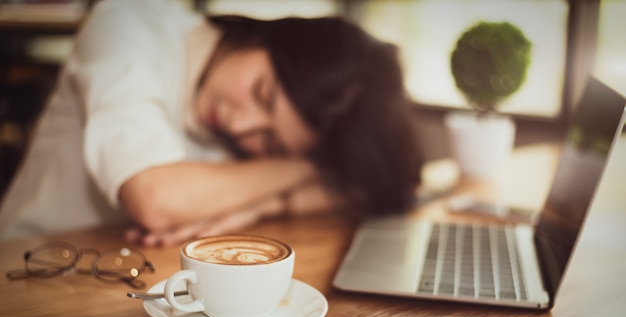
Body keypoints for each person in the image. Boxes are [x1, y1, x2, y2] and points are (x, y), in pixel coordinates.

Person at [0, 0, 422, 246]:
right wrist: (303, 167)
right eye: (261, 92)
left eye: (270, 142)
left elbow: (367, 190)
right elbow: (155, 199)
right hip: (27, 265)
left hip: (124, 280)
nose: (242, 127)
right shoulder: (129, 20)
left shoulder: (248, 121)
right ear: (266, 38)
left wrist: (263, 206)